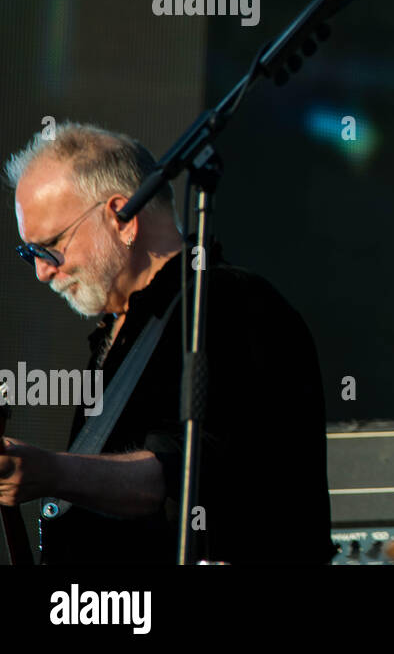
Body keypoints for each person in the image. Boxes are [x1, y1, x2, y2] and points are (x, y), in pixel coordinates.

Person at [0, 123, 332, 564]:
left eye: (51, 247)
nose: (42, 272)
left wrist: (53, 472)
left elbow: (197, 471)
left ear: (120, 218)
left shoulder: (231, 303)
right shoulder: (118, 330)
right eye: (30, 254)